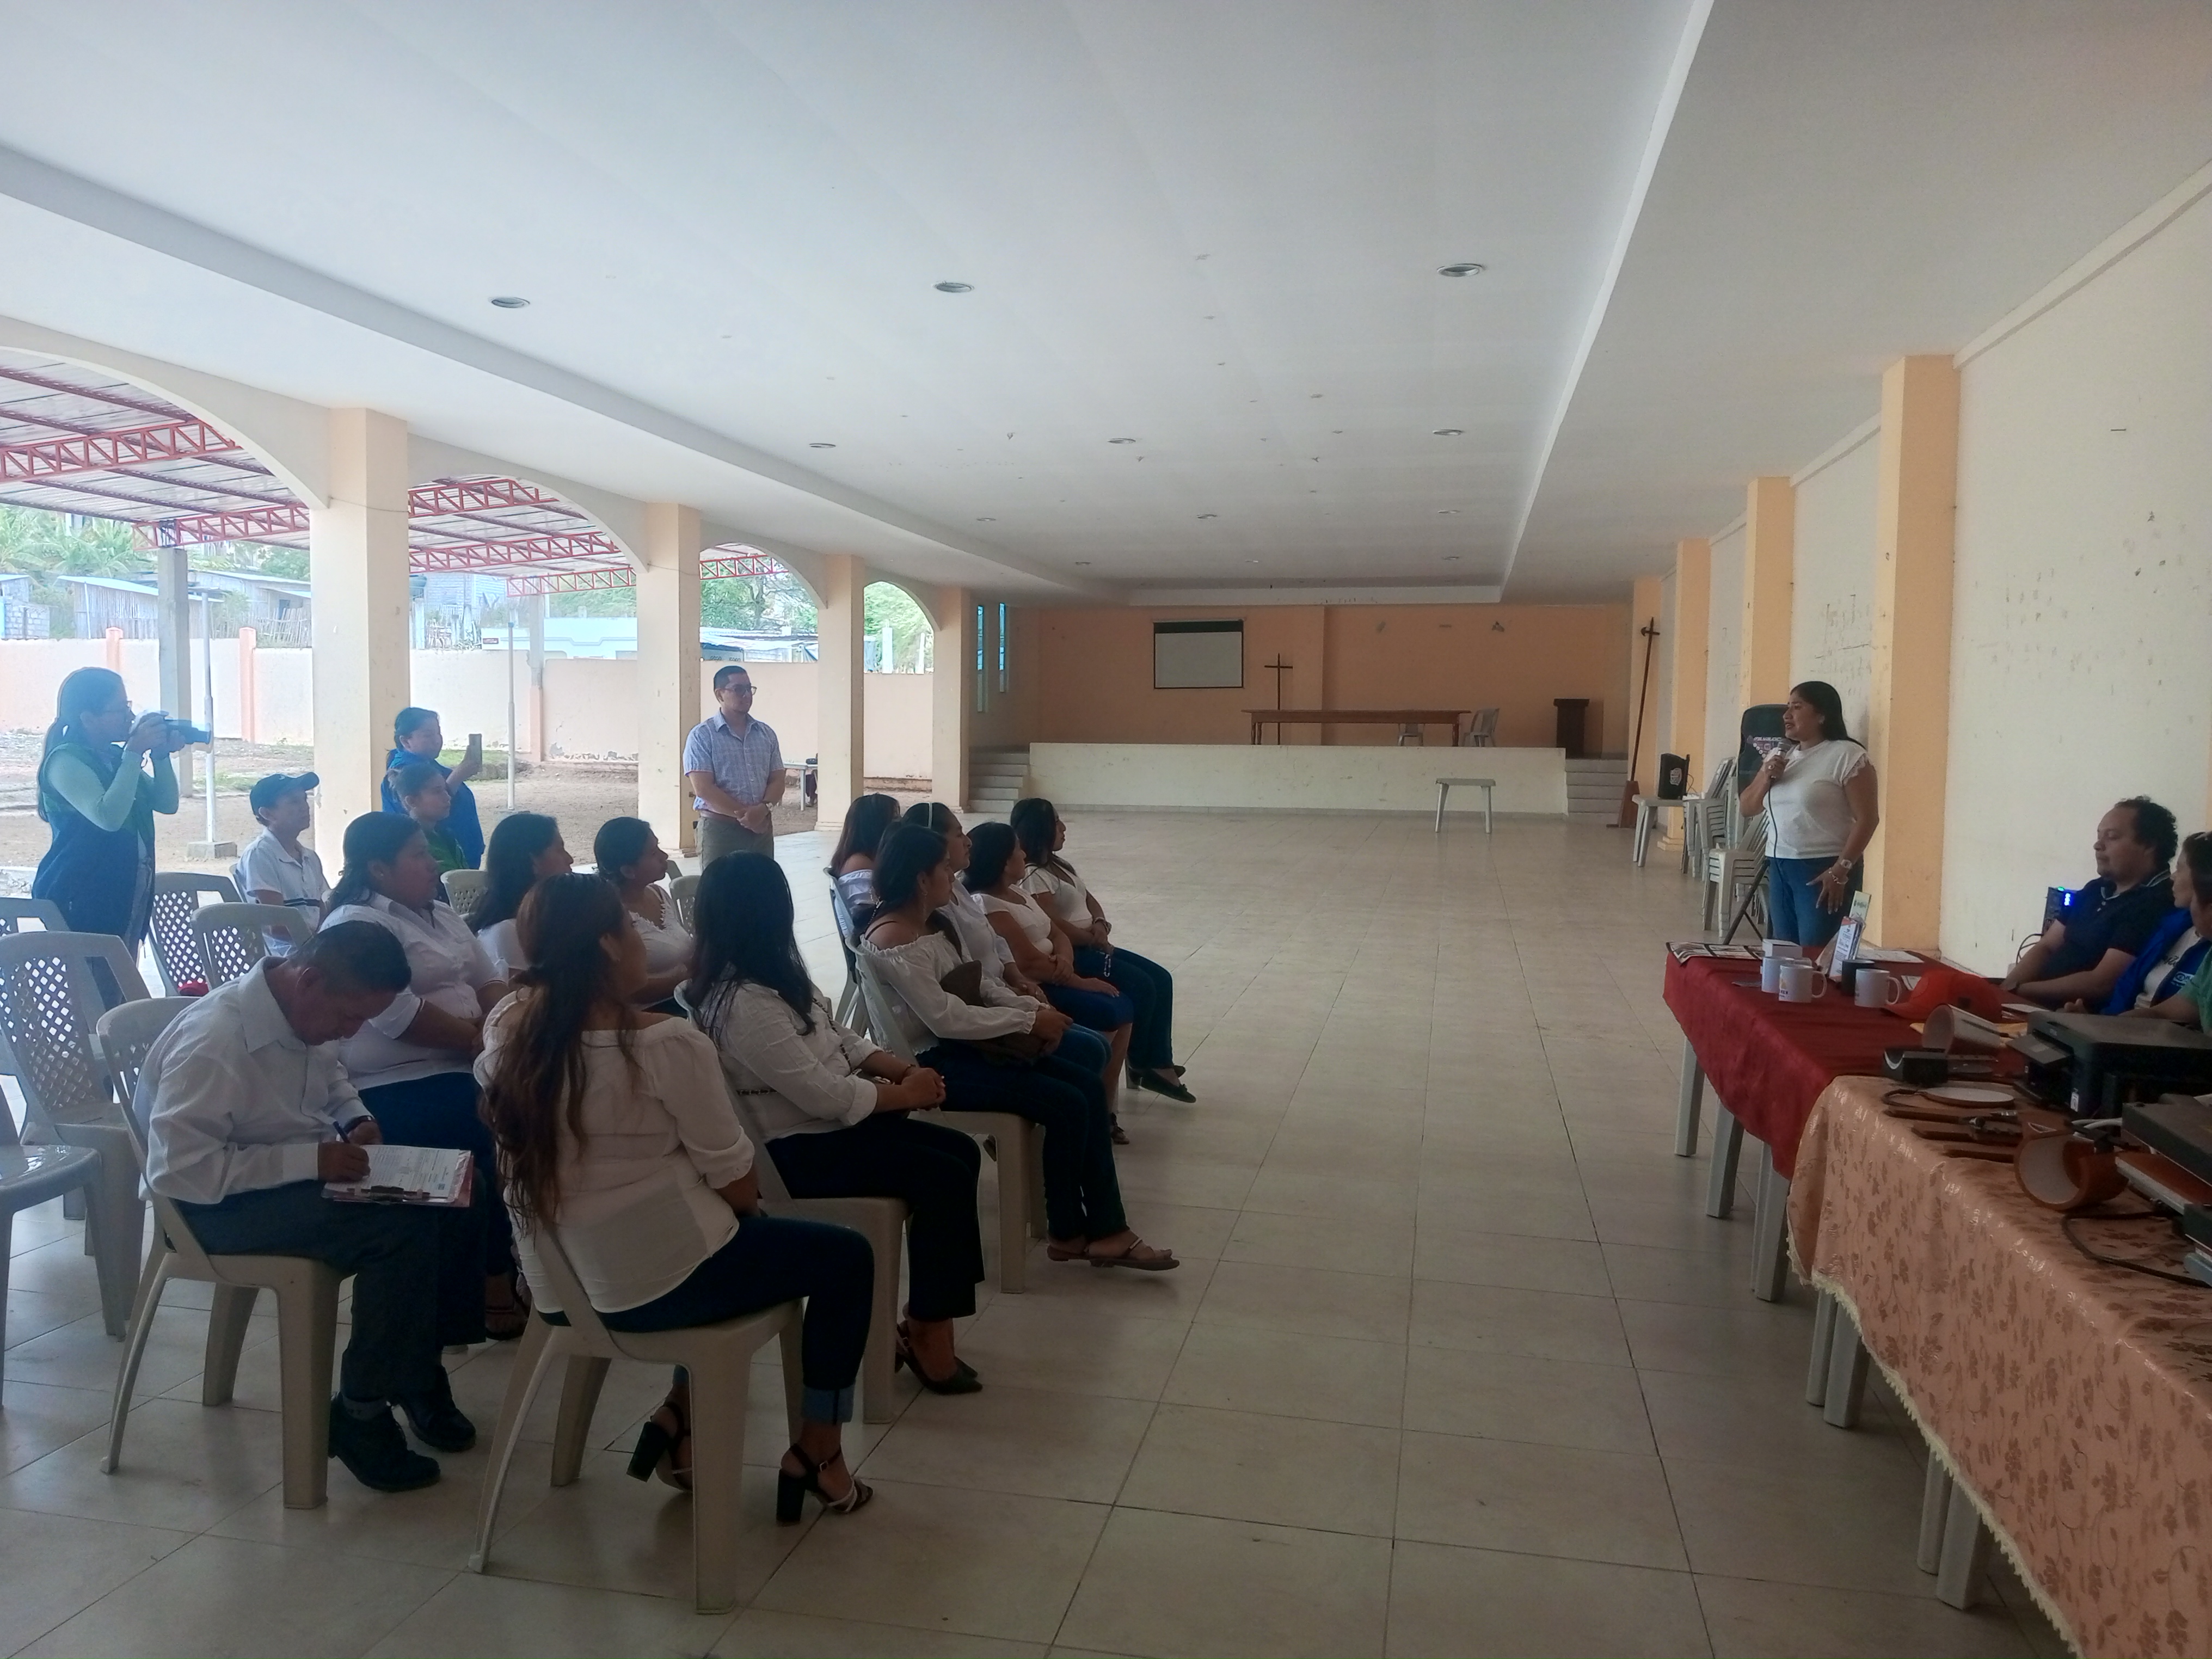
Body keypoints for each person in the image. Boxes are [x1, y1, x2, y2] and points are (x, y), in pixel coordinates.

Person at [478, 873, 875, 1518]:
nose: (643, 941)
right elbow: (736, 1182)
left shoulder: (508, 1030)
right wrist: (735, 1207)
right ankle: (819, 1451)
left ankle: (680, 1415)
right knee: (843, 1257)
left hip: (561, 1286)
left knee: (715, 1241)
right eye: (631, 928)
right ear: (609, 945)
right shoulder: (662, 1044)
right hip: (652, 1287)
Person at [138, 922, 481, 1492]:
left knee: (464, 1189)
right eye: (350, 1018)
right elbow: (180, 1172)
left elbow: (331, 1075)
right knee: (399, 1231)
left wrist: (356, 1118)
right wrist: (312, 1161)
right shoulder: (215, 1042)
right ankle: (361, 1413)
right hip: (212, 1209)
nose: (351, 1032)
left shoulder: (305, 1012)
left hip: (283, 1177)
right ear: (310, 981)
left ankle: (415, 1371)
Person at [689, 853, 983, 1393]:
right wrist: (904, 1095)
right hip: (793, 1150)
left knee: (959, 1153)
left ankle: (928, 1315)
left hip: (825, 1131)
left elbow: (837, 1035)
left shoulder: (772, 976)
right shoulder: (741, 1002)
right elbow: (823, 1095)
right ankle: (929, 1330)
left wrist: (900, 1068)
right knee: (942, 1176)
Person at [862, 823, 1175, 1270]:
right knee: (1067, 1101)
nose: (952, 876)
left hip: (968, 1045)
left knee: (1086, 1087)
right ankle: (1076, 1229)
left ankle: (1094, 1229)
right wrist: (1028, 1020)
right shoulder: (894, 937)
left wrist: (1029, 1006)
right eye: (945, 868)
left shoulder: (932, 923)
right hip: (935, 1063)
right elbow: (945, 1018)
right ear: (921, 879)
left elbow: (978, 983)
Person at [322, 813, 525, 1336]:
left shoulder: (441, 913)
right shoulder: (356, 923)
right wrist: (481, 1039)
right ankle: (491, 1279)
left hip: (468, 1062)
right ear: (379, 868)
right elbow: (395, 1015)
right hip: (398, 1081)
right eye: (418, 855)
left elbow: (490, 980)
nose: (433, 863)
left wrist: (496, 1029)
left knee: (548, 1107)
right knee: (496, 1130)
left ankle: (533, 1260)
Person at [904, 802, 1117, 1084]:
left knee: (1095, 1045)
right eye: (958, 834)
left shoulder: (956, 889)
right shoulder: (938, 908)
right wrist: (1028, 1015)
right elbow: (959, 995)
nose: (968, 841)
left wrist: (1018, 981)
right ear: (933, 842)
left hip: (1007, 989)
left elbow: (996, 943)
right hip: (987, 1009)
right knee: (1090, 1049)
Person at [1010, 797, 1193, 1103]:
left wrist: (1099, 923)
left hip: (1093, 942)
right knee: (1141, 985)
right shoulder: (1034, 875)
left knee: (1161, 978)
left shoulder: (1060, 866)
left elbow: (1089, 899)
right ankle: (1147, 1063)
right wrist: (1088, 938)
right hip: (1078, 953)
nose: (1064, 828)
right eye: (1056, 822)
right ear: (1040, 829)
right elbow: (1052, 923)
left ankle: (1156, 1059)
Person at [966, 821, 1135, 1139]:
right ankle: (1092, 1109)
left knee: (1121, 1006)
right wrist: (1080, 982)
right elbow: (1026, 960)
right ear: (1004, 862)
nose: (1024, 854)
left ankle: (1105, 1108)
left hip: (1059, 971)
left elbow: (1056, 932)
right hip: (1037, 984)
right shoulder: (986, 903)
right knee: (1108, 1012)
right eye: (1018, 850)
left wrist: (1067, 961)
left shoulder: (1018, 891)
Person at [30, 666, 182, 947]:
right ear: (88, 718)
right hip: (81, 893)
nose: (131, 717)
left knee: (120, 973)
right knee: (94, 973)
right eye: (120, 710)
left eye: (129, 707)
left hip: (125, 890)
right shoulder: (65, 760)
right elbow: (108, 817)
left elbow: (167, 803)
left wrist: (160, 756)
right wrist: (134, 752)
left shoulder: (114, 757)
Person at [1735, 681, 1880, 951]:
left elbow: (1868, 819)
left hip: (1823, 867)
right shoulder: (1782, 756)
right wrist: (1766, 777)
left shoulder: (1847, 755)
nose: (1786, 715)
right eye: (1787, 707)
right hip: (1780, 864)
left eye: (1797, 707)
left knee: (1817, 952)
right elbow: (1747, 808)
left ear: (1822, 715)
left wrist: (1841, 870)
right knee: (1784, 952)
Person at [2002, 797, 2178, 1009]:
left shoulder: (2155, 903)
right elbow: (2046, 946)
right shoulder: (2096, 888)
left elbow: (2101, 983)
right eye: (2099, 836)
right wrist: (2005, 991)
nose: (2098, 845)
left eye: (2112, 837)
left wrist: (2020, 991)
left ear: (2149, 845)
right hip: (2031, 1000)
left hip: (2072, 1014)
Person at [684, 665, 785, 865]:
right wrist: (746, 817)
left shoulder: (766, 734)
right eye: (739, 689)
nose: (747, 695)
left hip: (762, 829)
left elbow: (778, 779)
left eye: (749, 688)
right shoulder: (702, 736)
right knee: (721, 884)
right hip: (720, 831)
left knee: (763, 883)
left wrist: (763, 809)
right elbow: (704, 788)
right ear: (719, 694)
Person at [2104, 834, 2209, 1020]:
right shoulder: (2173, 925)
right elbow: (2163, 1011)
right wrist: (2096, 1025)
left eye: (2180, 869)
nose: (2172, 877)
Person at [593, 816, 691, 1011]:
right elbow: (626, 989)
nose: (664, 856)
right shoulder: (608, 914)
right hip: (646, 1012)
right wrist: (686, 978)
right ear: (628, 871)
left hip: (683, 997)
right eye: (653, 853)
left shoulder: (658, 893)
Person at [468, 813, 573, 976]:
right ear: (533, 862)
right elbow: (523, 993)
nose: (570, 859)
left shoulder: (548, 916)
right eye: (560, 850)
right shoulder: (507, 933)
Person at [382, 707, 484, 867]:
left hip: (457, 853)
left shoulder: (429, 764)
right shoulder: (401, 773)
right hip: (436, 858)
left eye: (438, 733)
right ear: (406, 741)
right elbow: (421, 812)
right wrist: (458, 776)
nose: (437, 740)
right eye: (428, 735)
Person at [234, 772, 328, 910]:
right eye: (294, 802)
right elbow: (276, 919)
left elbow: (323, 910)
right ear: (267, 814)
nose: (305, 807)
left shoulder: (310, 858)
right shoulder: (260, 855)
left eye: (304, 799)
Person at [827, 792, 902, 934]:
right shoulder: (859, 864)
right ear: (876, 826)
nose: (900, 824)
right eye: (894, 819)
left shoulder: (866, 858)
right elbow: (867, 919)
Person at [393, 762, 467, 877]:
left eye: (445, 790)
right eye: (437, 792)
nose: (448, 797)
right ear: (412, 801)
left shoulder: (446, 835)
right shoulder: (410, 846)